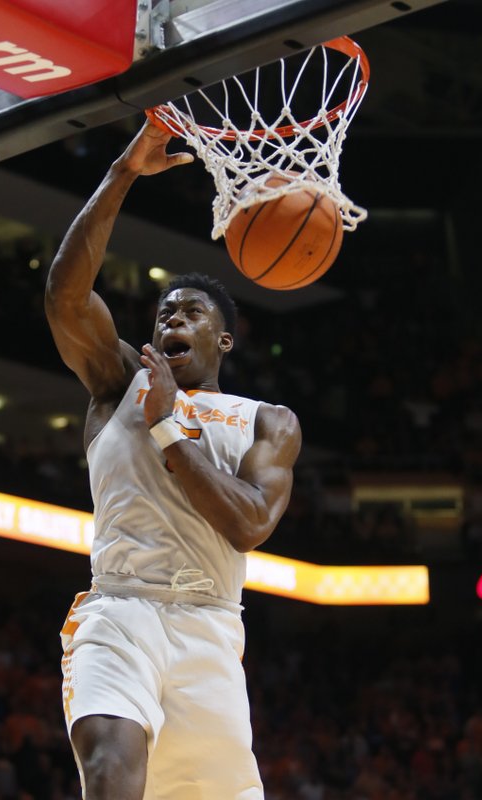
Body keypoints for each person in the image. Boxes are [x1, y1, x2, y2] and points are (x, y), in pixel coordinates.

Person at [45, 120, 302, 800]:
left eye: (187, 312)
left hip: (210, 630)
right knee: (108, 770)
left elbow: (250, 523)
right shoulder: (118, 381)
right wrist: (121, 173)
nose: (170, 322)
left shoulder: (266, 423)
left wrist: (169, 434)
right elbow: (66, 299)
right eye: (162, 313)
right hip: (120, 611)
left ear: (221, 338)